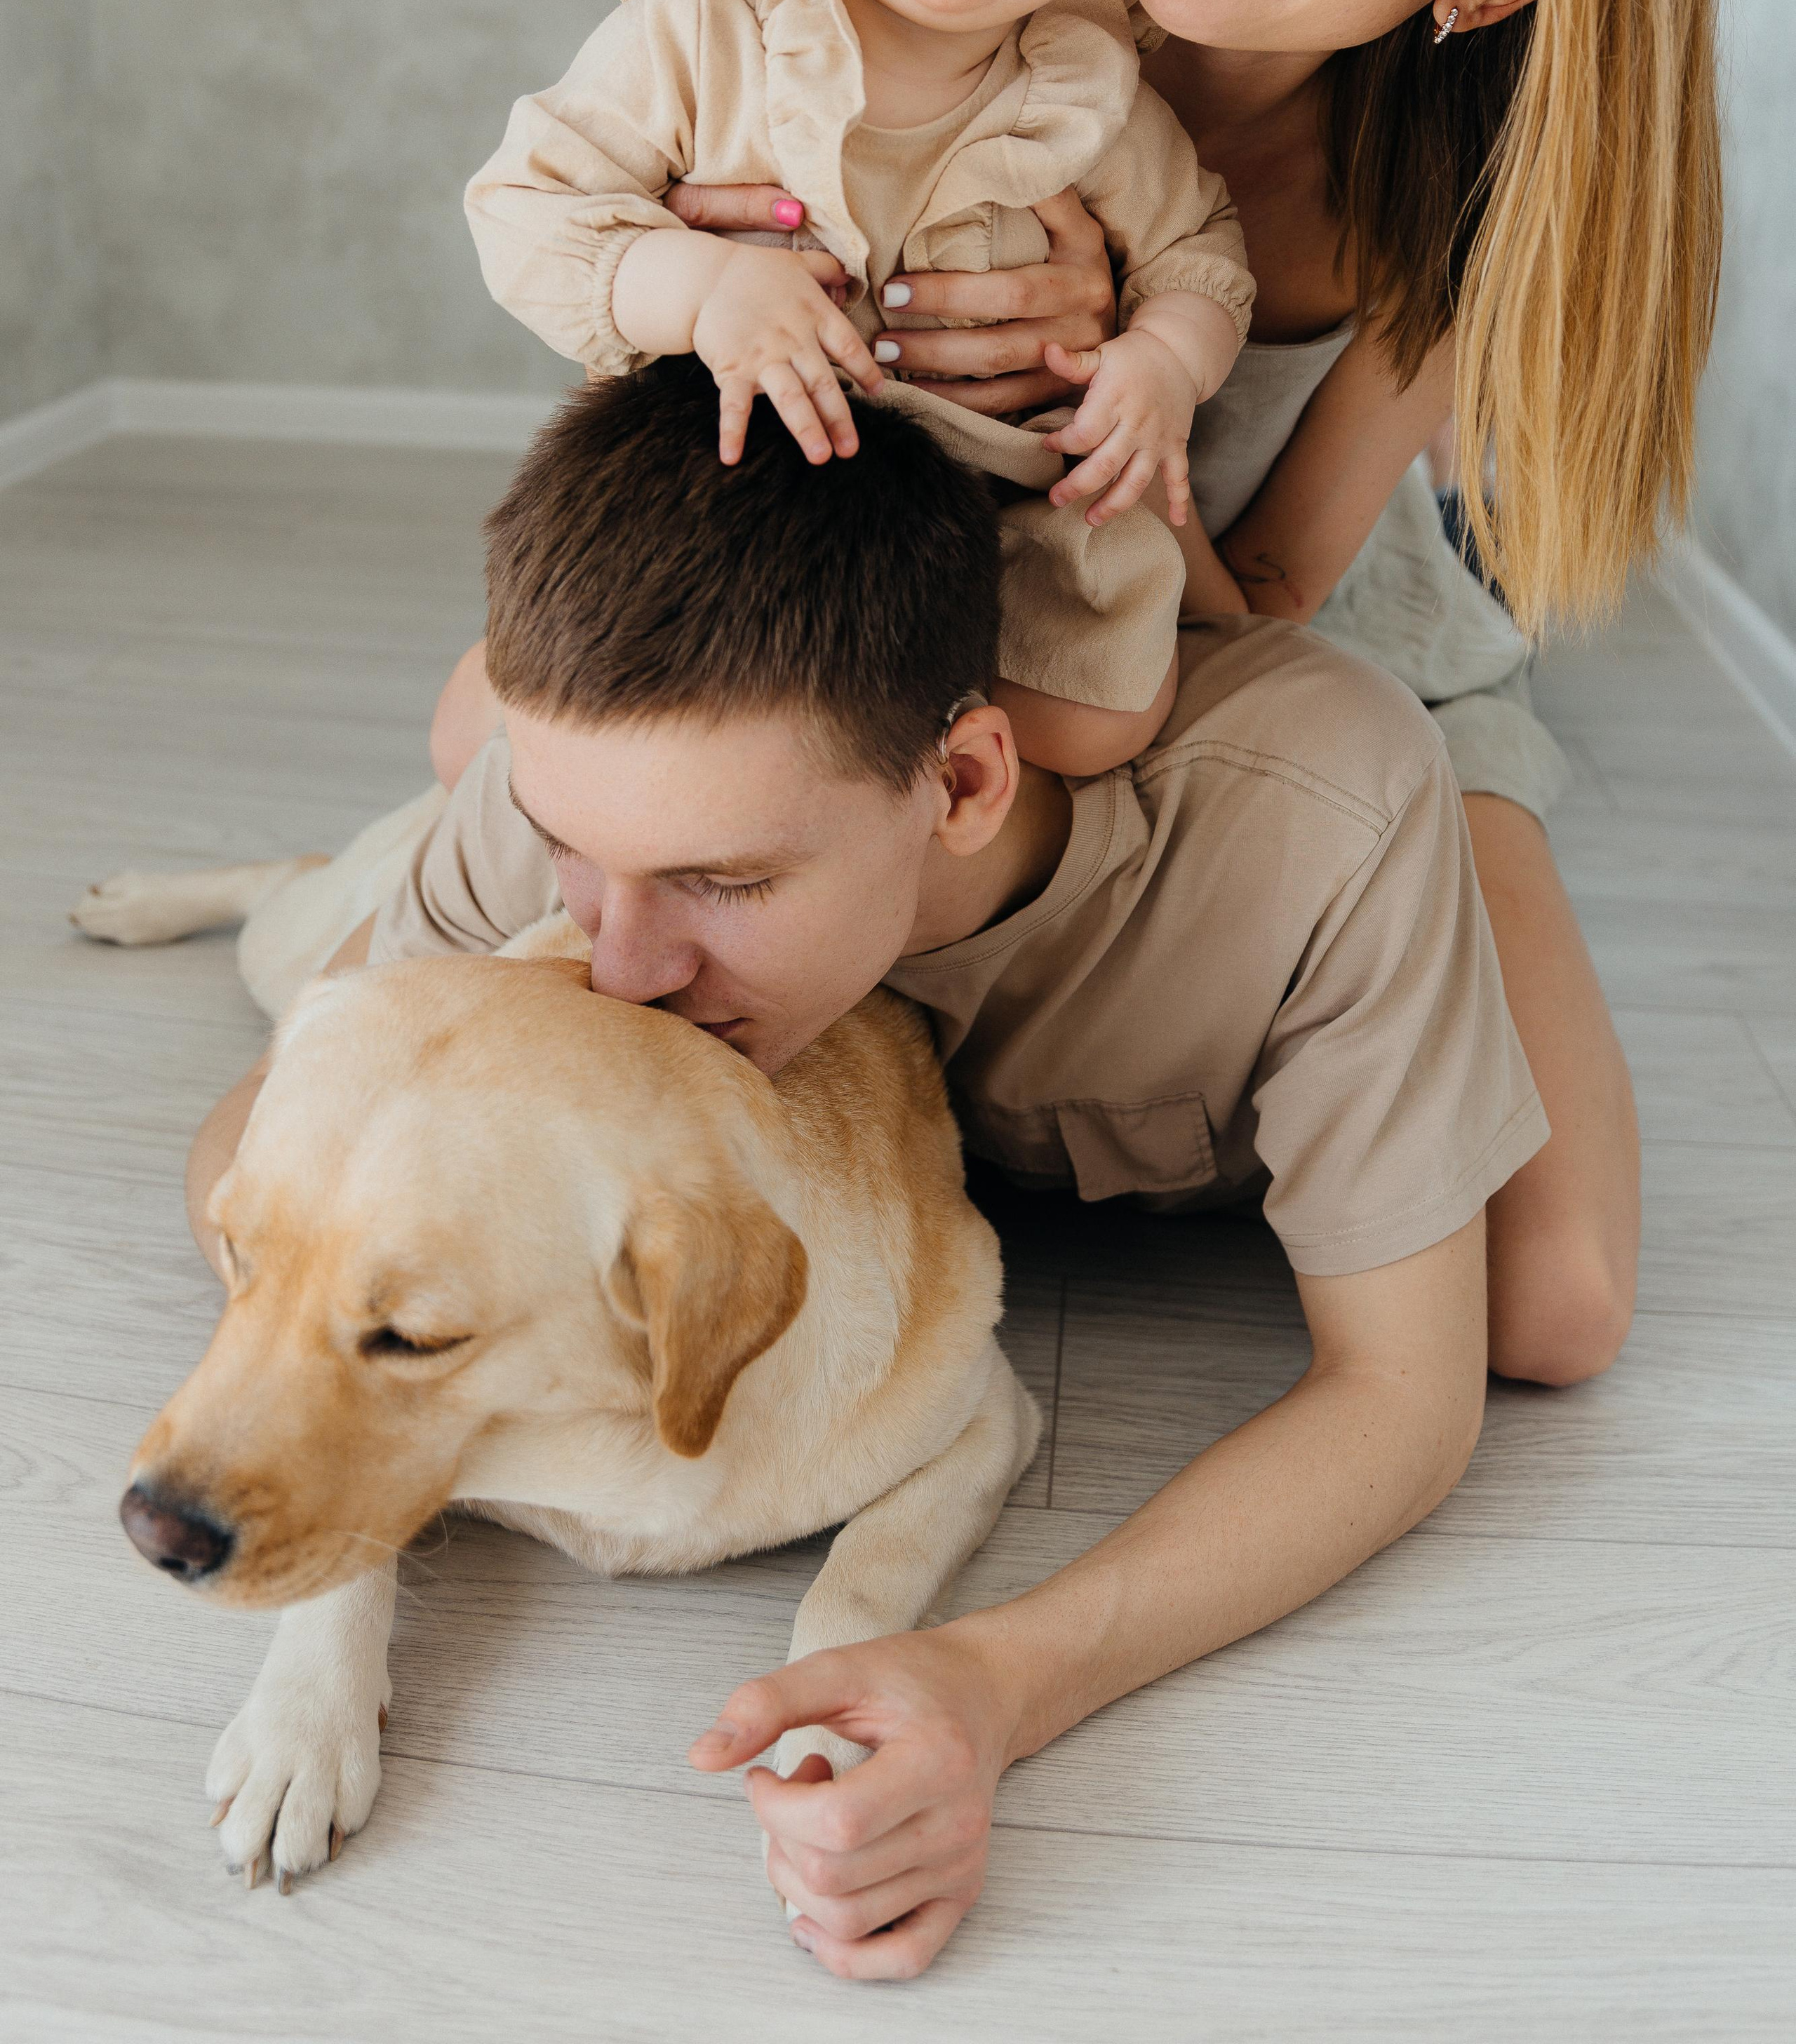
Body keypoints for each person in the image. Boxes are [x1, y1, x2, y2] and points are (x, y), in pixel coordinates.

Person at [188, 363, 1546, 1979]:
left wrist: (999, 1676)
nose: (612, 972)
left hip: (1365, 709)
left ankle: (1500, 717)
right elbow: (252, 1145)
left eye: (718, 879)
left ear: (964, 783)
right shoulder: (586, 807)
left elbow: (1404, 1397)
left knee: (1554, 1307)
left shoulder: (1314, 829)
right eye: (573, 850)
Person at [600, 0, 1727, 1401]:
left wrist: (1132, 366)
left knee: (1555, 1303)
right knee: (513, 740)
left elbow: (1281, 591)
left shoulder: (1432, 211)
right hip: (956, 565)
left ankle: (1212, 1065)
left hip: (1311, 636)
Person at [464, 0, 1255, 778]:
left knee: (1099, 725)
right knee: (552, 723)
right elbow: (524, 206)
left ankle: (915, 795)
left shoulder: (1085, 90)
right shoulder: (705, 24)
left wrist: (1164, 363)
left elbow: (1202, 254)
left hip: (997, 520)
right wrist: (699, 291)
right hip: (744, 491)